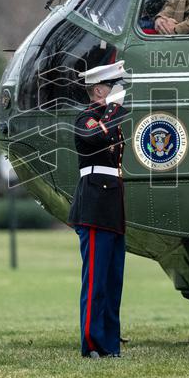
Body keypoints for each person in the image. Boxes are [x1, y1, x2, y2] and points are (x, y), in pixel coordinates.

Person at [67, 60, 129, 359]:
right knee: (95, 281)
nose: (122, 93)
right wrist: (113, 109)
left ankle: (110, 344)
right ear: (98, 91)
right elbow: (97, 137)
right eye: (117, 88)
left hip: (113, 207)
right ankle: (92, 343)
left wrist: (114, 109)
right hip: (94, 204)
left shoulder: (109, 118)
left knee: (113, 281)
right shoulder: (87, 119)